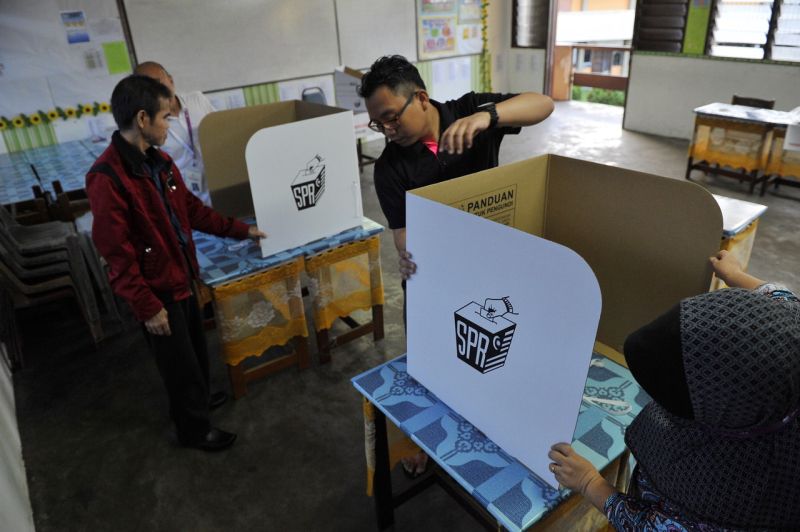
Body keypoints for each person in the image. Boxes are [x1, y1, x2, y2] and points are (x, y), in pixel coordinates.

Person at [548, 249, 800, 530]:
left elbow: (649, 524)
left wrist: (589, 482)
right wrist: (735, 275)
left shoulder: (722, 496)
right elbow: (778, 297)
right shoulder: (790, 329)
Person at [85, 75, 266, 452]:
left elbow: (193, 211)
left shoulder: (160, 162)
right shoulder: (107, 177)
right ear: (142, 119)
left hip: (182, 275)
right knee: (178, 365)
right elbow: (115, 253)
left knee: (196, 354)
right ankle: (193, 430)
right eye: (166, 118)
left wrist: (241, 231)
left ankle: (197, 400)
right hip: (156, 290)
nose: (171, 125)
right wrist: (147, 306)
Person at [358, 55, 553, 284]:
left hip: (488, 254)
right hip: (438, 267)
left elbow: (544, 104)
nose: (387, 130)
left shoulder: (469, 110)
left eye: (391, 118)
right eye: (378, 125)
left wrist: (487, 117)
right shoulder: (388, 167)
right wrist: (412, 253)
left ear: (421, 99)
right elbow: (402, 229)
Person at [134, 61, 215, 205]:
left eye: (158, 82)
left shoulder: (197, 100)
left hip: (218, 182)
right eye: (147, 88)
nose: (155, 90)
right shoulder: (149, 124)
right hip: (188, 197)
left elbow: (220, 129)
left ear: (170, 80)